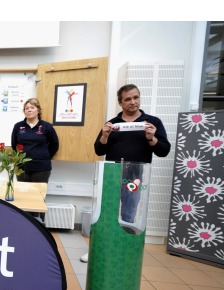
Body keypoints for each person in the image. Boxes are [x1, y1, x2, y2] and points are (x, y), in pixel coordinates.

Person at [80, 84, 171, 262]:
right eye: (127, 99)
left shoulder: (152, 122)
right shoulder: (113, 123)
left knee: (128, 216)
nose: (132, 102)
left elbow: (164, 151)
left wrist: (151, 138)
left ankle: (123, 253)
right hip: (112, 176)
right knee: (105, 214)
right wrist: (104, 136)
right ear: (120, 103)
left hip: (135, 178)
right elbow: (98, 150)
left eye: (135, 97)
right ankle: (98, 251)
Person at [11, 98, 59, 222]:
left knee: (38, 197)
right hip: (22, 167)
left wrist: (44, 156)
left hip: (41, 168)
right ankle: (23, 223)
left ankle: (39, 225)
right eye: (26, 108)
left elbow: (54, 144)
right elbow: (14, 145)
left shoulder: (46, 127)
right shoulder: (18, 126)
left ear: (38, 110)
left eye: (32, 107)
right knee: (23, 195)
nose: (29, 110)